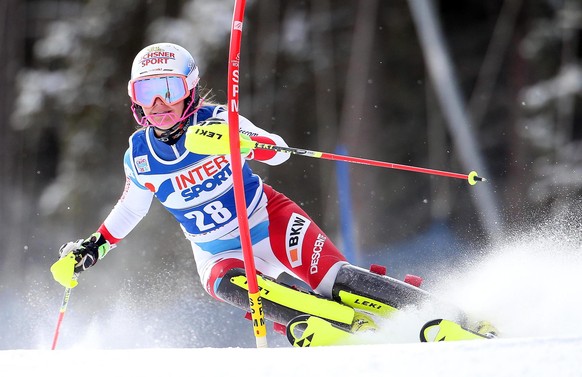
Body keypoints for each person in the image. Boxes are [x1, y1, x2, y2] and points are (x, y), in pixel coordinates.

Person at [51, 42, 485, 346]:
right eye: (146, 93)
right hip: (218, 251)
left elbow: (278, 153)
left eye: (168, 90)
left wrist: (242, 141)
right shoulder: (140, 155)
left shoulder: (221, 120)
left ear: (189, 90)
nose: (158, 105)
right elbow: (130, 208)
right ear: (134, 100)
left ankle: (448, 316)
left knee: (338, 281)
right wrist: (92, 249)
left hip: (269, 220)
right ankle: (317, 325)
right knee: (228, 284)